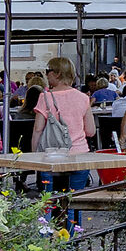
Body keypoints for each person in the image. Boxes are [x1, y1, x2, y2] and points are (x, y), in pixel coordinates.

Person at [28, 64, 96, 192]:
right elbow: (91, 131)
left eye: (48, 71)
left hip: (51, 156)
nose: (46, 75)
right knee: (74, 202)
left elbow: (37, 130)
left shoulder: (45, 97)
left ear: (57, 73)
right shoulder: (83, 98)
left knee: (48, 201)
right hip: (79, 154)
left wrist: (35, 156)